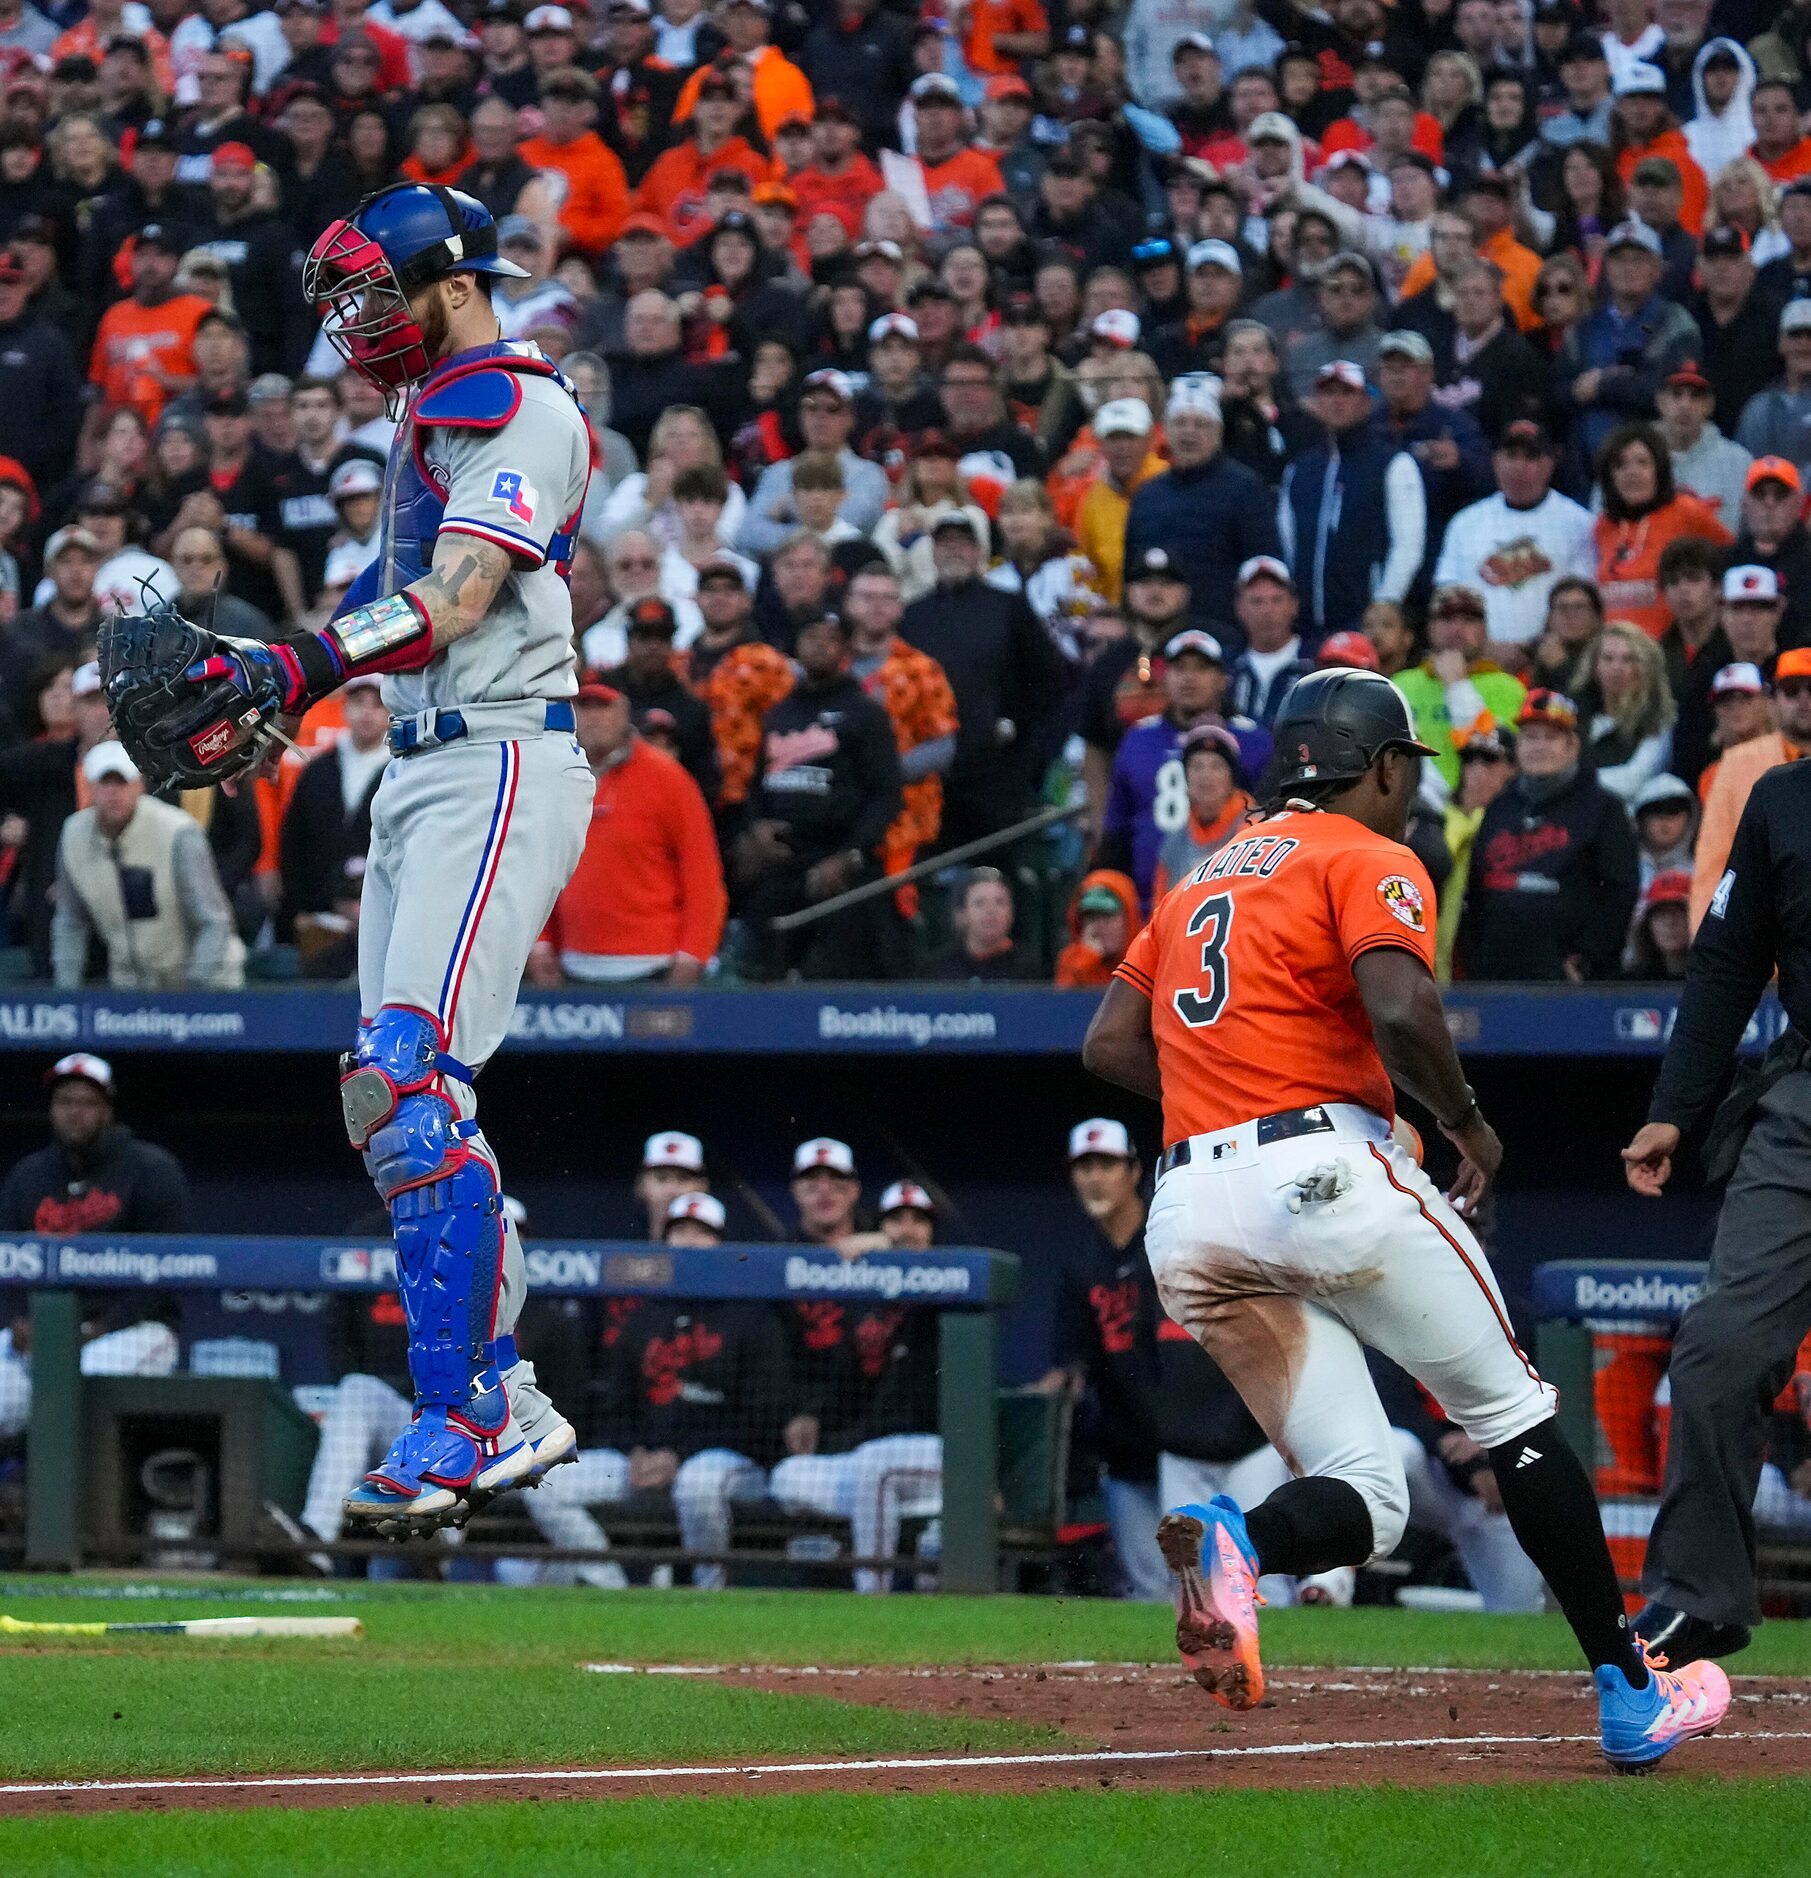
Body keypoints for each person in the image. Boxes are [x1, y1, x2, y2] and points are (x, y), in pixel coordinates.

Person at [1083, 667, 1731, 1766]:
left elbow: (1105, 1046)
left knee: (1369, 1498)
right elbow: (1398, 1003)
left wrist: (1226, 1095)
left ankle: (1240, 1539)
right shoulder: (1365, 853)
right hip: (1321, 1176)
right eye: (1404, 771)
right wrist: (1467, 1122)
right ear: (1376, 765)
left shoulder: (1196, 878)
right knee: (1514, 1415)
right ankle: (1628, 1694)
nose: (1410, 793)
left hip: (1188, 1210)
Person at [183, 182, 603, 1539]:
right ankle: (500, 1390)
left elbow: (462, 599)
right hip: (427, 763)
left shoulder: (516, 403)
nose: (356, 320)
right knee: (390, 1098)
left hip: (498, 757)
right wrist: (290, 701)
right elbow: (414, 620)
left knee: (413, 1079)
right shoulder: (431, 409)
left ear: (455, 283)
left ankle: (472, 1404)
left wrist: (295, 661)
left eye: (375, 290)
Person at [1620, 739, 1811, 1667]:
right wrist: (1671, 1112)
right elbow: (1728, 965)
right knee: (1719, 1348)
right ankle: (1699, 1595)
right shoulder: (1782, 799)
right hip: (1804, 1105)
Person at [527, 1189, 793, 1590]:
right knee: (540, 1481)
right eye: (679, 1231)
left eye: (701, 1233)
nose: (688, 1241)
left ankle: (709, 1594)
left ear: (721, 1246)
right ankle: (612, 1587)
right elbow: (617, 1406)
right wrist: (634, 1450)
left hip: (728, 1463)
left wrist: (680, 1455)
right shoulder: (642, 1320)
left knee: (697, 1483)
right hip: (647, 1463)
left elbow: (764, 1418)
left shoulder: (753, 1318)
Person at [735, 611, 903, 980]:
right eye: (811, 637)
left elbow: (887, 794)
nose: (820, 645)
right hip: (783, 858)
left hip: (840, 863)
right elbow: (756, 784)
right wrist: (756, 827)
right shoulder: (779, 713)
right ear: (796, 647)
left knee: (839, 971)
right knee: (759, 963)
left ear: (844, 647)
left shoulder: (866, 713)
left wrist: (851, 855)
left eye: (830, 638)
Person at [528, 676, 725, 987]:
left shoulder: (669, 779)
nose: (593, 717)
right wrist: (539, 945)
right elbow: (540, 872)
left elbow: (703, 876)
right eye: (584, 706)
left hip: (654, 966)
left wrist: (693, 955)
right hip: (571, 968)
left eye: (603, 707)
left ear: (625, 714)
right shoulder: (555, 779)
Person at [897, 513, 1064, 847]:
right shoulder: (912, 616)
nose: (954, 551)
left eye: (963, 543)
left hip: (996, 773)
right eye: (945, 543)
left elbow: (1048, 680)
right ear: (932, 551)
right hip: (929, 774)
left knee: (999, 867)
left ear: (979, 552)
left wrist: (1015, 726)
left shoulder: (1008, 607)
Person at [1456, 689, 1641, 981]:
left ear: (1572, 745)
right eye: (1530, 736)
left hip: (1568, 982)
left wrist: (1587, 958)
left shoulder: (1604, 809)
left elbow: (1620, 893)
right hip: (1495, 979)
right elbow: (1475, 892)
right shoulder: (1499, 806)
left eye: (1550, 737)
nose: (1539, 746)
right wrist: (1476, 959)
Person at [1100, 628, 1271, 913]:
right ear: (1165, 676)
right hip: (1147, 902)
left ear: (1222, 679)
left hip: (1233, 897)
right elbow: (1116, 831)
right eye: (1180, 668)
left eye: (1202, 668)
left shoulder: (1254, 740)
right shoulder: (1139, 737)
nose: (1189, 678)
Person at [52, 740, 243, 990]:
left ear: (139, 785)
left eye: (122, 782)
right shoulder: (73, 835)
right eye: (105, 782)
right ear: (89, 788)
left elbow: (214, 920)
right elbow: (70, 920)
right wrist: (66, 995)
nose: (114, 793)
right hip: (131, 987)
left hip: (208, 985)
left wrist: (195, 992)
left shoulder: (178, 832)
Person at [1123, 374, 1281, 642]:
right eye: (1180, 423)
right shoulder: (1147, 493)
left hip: (1223, 635)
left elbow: (1264, 566)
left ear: (1218, 434)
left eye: (1201, 424)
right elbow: (1130, 571)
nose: (1189, 432)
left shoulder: (1245, 487)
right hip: (1156, 637)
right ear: (1167, 431)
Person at [1278, 361, 1426, 645]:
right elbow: (1288, 546)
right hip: (1306, 628)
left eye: (1346, 393)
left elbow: (1408, 545)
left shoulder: (1393, 464)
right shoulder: (1299, 469)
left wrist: (1384, 604)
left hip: (1365, 627)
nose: (1337, 402)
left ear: (1366, 401)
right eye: (1328, 393)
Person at [1433, 420, 1597, 657]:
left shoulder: (1579, 522)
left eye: (1530, 457)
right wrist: (1483, 647)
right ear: (1496, 461)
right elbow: (1447, 598)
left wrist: (1531, 649)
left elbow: (1585, 601)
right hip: (1478, 657)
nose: (1519, 466)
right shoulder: (1465, 523)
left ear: (1548, 465)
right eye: (1511, 455)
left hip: (1553, 656)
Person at [1690, 640, 1811, 928]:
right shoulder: (1736, 763)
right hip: (1764, 947)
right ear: (1773, 700)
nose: (1804, 700)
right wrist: (1707, 947)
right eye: (1792, 690)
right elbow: (1714, 864)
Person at [0, 1053, 188, 1234]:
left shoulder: (151, 1170)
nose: (74, 1112)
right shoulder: (27, 1176)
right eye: (64, 1101)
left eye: (87, 1102)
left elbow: (169, 1257)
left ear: (107, 1110)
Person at [278, 673, 389, 972]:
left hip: (384, 921)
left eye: (377, 704)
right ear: (345, 708)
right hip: (320, 920)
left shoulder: (401, 773)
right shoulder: (317, 771)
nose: (367, 712)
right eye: (359, 702)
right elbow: (293, 844)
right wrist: (300, 909)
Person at [1593, 420, 1732, 639]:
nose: (1632, 472)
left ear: (1659, 470)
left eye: (1642, 463)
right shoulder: (1602, 526)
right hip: (1615, 656)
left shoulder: (1687, 511)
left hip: (1671, 653)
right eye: (1621, 465)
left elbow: (1730, 559)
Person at [1393, 585, 1528, 797]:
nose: (1457, 628)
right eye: (1446, 618)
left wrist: (1457, 684)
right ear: (1430, 626)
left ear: (1485, 630)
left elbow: (1492, 751)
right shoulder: (1401, 684)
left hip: (1483, 808)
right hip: (1415, 809)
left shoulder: (1508, 687)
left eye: (1469, 620)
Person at [1150, 722, 1257, 902]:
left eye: (1216, 766)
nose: (1206, 775)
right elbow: (1158, 916)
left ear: (1232, 777)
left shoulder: (1256, 831)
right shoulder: (1173, 847)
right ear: (1186, 776)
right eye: (1197, 766)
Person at [1582, 620, 1677, 805]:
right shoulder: (1579, 716)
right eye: (1608, 658)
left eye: (1628, 659)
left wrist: (1570, 783)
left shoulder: (1659, 719)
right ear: (1595, 666)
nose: (1617, 667)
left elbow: (1634, 779)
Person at [1657, 360, 1753, 530]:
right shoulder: (1636, 459)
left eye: (1695, 396)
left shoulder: (1739, 462)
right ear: (1661, 402)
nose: (1685, 405)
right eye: (1677, 394)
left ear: (1709, 405)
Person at [1227, 558, 1312, 727]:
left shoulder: (1315, 662)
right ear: (1240, 608)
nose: (1267, 611)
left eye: (1277, 600)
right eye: (1256, 601)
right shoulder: (1226, 668)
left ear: (1294, 605)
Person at [918, 866, 1038, 981]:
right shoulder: (936, 969)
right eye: (980, 903)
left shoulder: (1032, 971)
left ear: (1011, 911)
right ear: (961, 913)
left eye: (1000, 902)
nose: (991, 910)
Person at [1735, 300, 1811, 475]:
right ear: (1781, 342)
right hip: (1767, 499)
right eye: (1795, 334)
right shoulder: (1757, 408)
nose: (1804, 344)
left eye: (1810, 335)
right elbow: (1742, 468)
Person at [1054, 867, 1141, 989]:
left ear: (1129, 918)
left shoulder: (1145, 959)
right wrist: (1087, 961)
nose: (1098, 926)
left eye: (1107, 916)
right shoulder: (1071, 959)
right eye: (1091, 917)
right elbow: (1064, 1004)